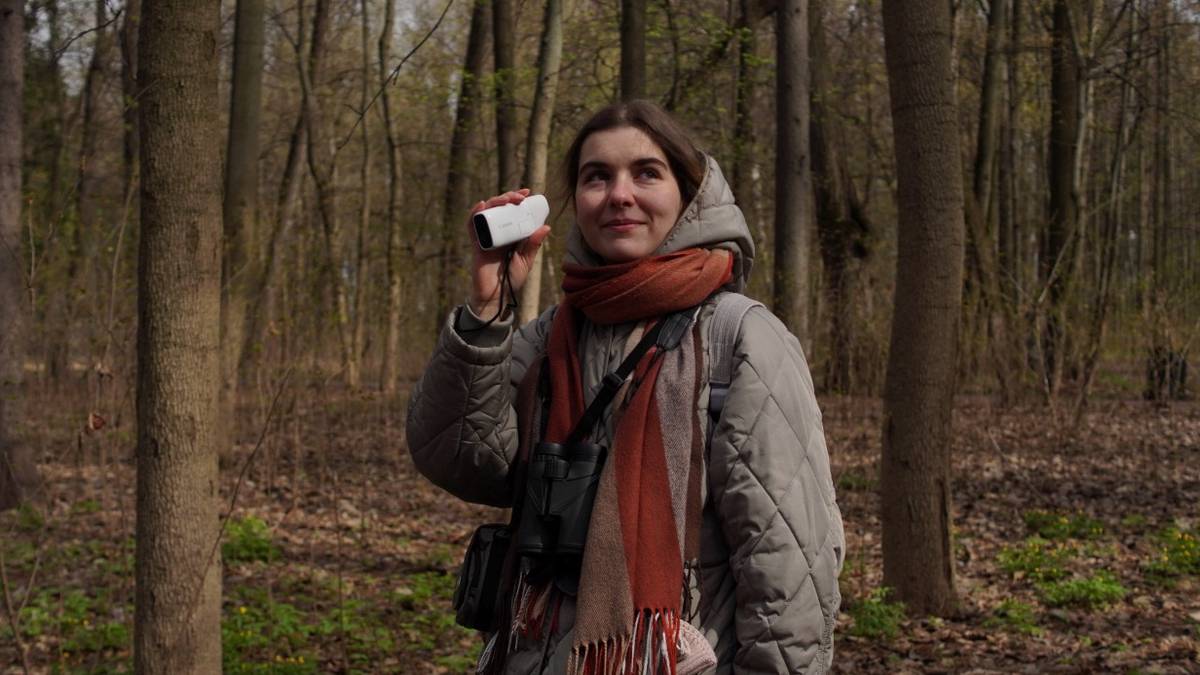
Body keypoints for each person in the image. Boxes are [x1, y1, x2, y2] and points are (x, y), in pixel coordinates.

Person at [406, 101, 844, 674]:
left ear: (689, 194)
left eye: (646, 173)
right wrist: (487, 311)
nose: (619, 194)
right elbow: (462, 459)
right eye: (597, 177)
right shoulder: (549, 338)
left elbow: (788, 563)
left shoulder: (741, 338)